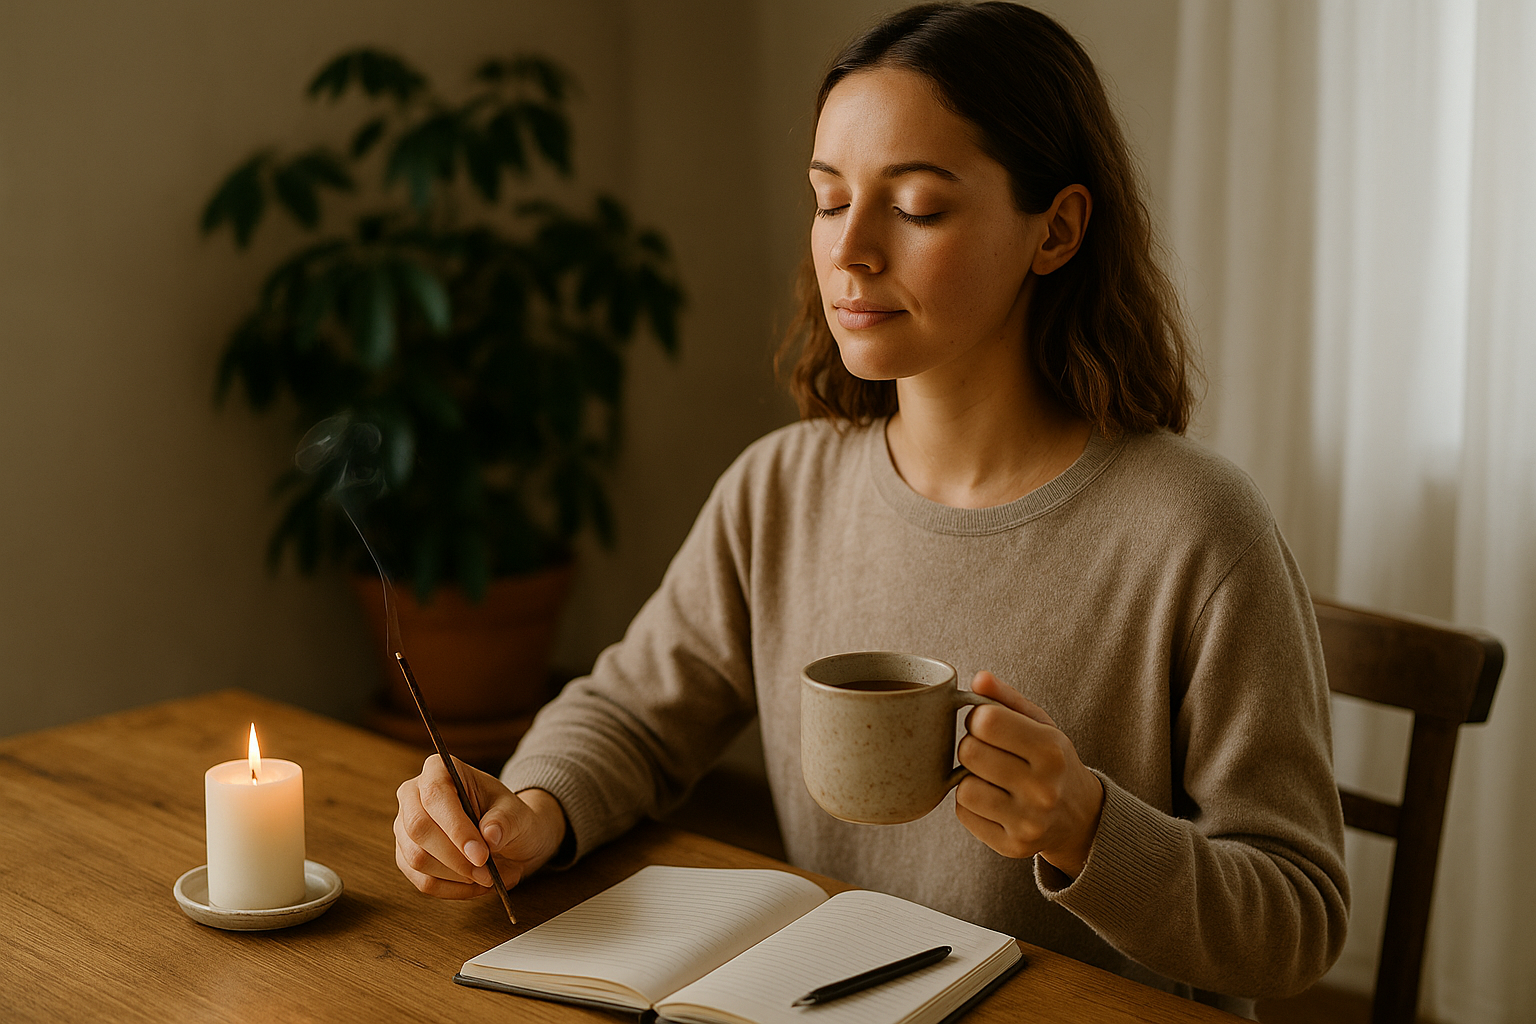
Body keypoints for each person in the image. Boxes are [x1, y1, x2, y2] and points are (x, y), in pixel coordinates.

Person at [393, 2, 1349, 1015]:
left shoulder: (1196, 528)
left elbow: (1297, 922)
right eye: (828, 199)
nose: (850, 250)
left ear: (1057, 230)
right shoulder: (781, 489)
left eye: (918, 208)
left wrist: (1086, 825)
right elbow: (632, 712)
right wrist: (531, 808)